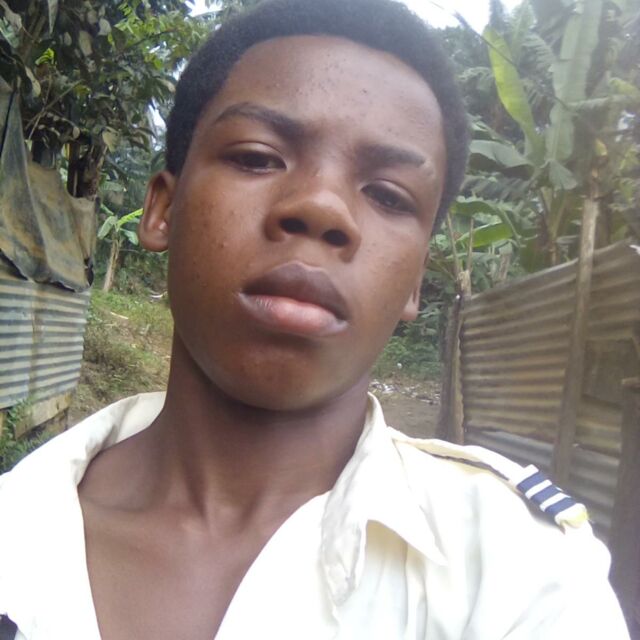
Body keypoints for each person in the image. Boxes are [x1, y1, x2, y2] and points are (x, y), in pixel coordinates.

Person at [0, 0, 630, 638]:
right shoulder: (16, 527)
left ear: (415, 279)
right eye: (257, 157)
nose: (323, 207)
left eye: (388, 195)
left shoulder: (526, 576)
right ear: (163, 209)